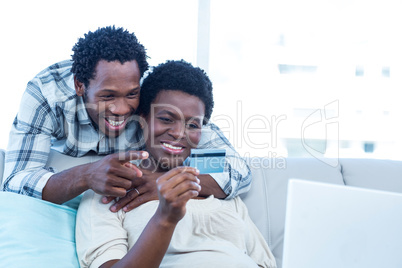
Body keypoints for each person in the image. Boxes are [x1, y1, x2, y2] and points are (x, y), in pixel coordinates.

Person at [1, 26, 251, 212]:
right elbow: (15, 181)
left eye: (131, 94)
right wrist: (86, 175)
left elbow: (235, 168)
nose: (121, 109)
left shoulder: (151, 94)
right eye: (108, 96)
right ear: (79, 85)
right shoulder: (47, 95)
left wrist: (170, 183)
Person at [76, 60, 277, 268]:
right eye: (166, 119)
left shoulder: (219, 187)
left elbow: (264, 263)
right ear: (142, 117)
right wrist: (164, 218)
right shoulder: (110, 190)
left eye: (192, 125)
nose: (179, 133)